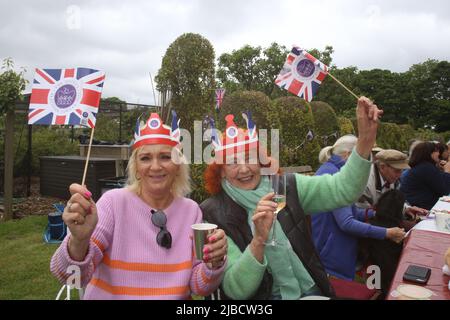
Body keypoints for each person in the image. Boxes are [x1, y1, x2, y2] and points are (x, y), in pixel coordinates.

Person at [200, 96, 383, 300]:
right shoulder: (212, 214)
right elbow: (236, 291)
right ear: (221, 172)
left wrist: (365, 141)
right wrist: (259, 239)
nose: (244, 169)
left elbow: (343, 190)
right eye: (233, 162)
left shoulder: (285, 187)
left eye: (250, 158)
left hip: (311, 287)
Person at [50, 112, 227, 299]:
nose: (156, 166)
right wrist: (79, 241)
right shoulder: (113, 204)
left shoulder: (191, 211)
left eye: (165, 157)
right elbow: (70, 278)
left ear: (178, 166)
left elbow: (199, 287)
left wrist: (213, 263)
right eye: (145, 158)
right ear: (136, 167)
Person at [311, 136, 405, 282]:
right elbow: (347, 223)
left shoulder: (332, 169)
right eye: (364, 157)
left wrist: (377, 213)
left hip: (332, 249)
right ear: (348, 155)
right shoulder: (335, 175)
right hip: (333, 255)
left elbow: (351, 212)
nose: (367, 164)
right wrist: (386, 233)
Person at [356, 149, 428, 222]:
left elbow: (392, 203)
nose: (400, 175)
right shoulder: (365, 182)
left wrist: (406, 209)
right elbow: (363, 214)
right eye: (397, 170)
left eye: (402, 170)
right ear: (382, 167)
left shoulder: (392, 178)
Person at [400, 141, 450, 210]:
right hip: (421, 209)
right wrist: (447, 171)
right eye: (436, 151)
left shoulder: (420, 166)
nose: (439, 153)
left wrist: (438, 169)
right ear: (429, 153)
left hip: (413, 205)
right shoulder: (426, 168)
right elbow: (445, 190)